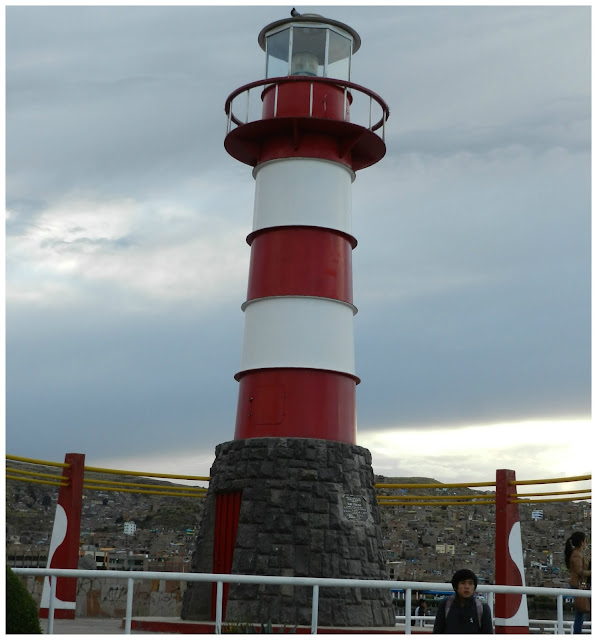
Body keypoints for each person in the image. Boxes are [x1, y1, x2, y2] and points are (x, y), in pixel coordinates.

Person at [433, 569, 493, 634]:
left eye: (470, 583)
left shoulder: (483, 608)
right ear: (455, 586)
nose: (467, 587)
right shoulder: (445, 605)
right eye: (463, 583)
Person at [565, 531, 591, 634]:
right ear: (581, 542)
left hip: (580, 586)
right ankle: (577, 634)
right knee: (580, 611)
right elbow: (580, 572)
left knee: (580, 612)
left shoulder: (578, 553)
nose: (586, 543)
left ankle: (577, 633)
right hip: (577, 586)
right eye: (585, 540)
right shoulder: (576, 554)